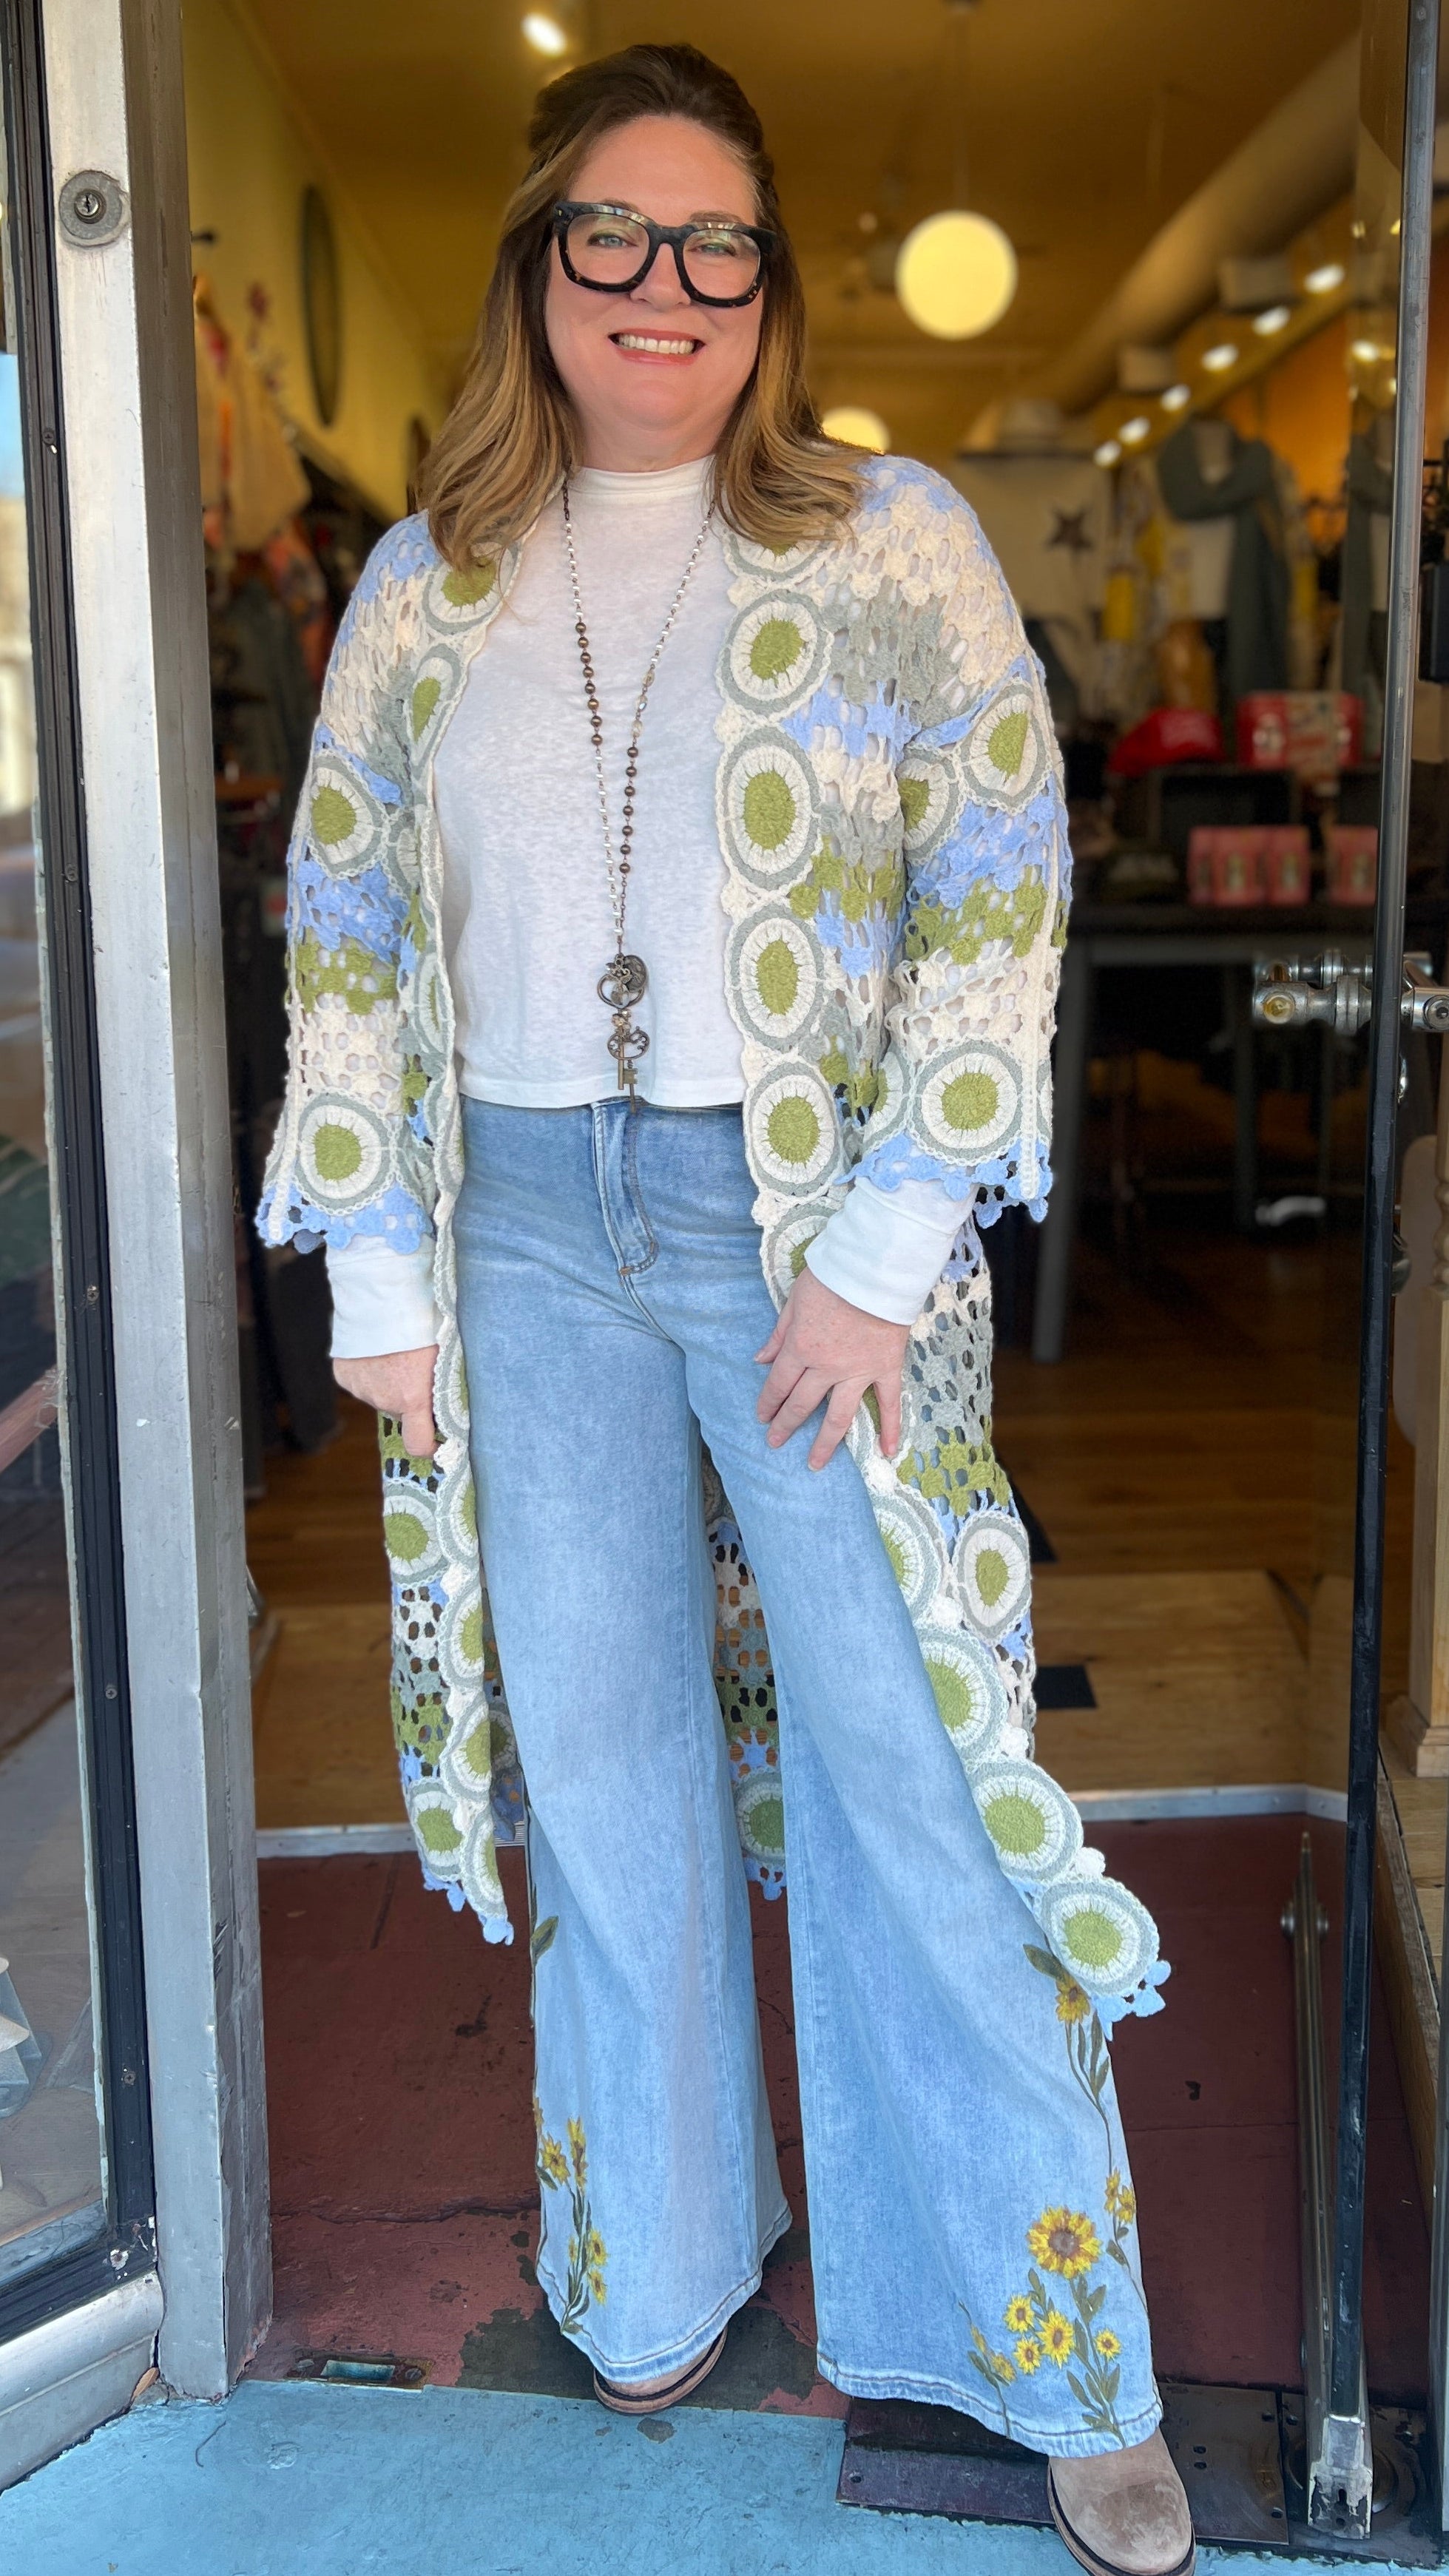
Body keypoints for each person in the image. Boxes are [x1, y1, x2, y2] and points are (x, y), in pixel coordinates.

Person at [259, 44, 1191, 2575]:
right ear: (538, 267)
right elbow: (347, 910)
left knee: (910, 1750)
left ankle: (1050, 2348)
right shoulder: (425, 579)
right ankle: (652, 2263)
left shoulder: (895, 543)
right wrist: (379, 1263)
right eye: (614, 235)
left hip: (795, 1223)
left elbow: (1002, 885)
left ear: (769, 290)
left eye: (716, 246)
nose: (663, 287)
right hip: (520, 1215)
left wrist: (889, 1250)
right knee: (603, 1755)